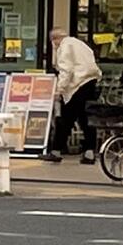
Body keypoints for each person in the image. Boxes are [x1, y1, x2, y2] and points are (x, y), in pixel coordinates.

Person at [48, 27, 102, 164]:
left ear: (55, 39)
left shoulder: (64, 46)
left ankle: (56, 151)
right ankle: (89, 152)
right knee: (87, 119)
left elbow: (66, 70)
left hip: (76, 85)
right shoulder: (80, 44)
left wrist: (59, 90)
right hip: (90, 82)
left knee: (66, 119)